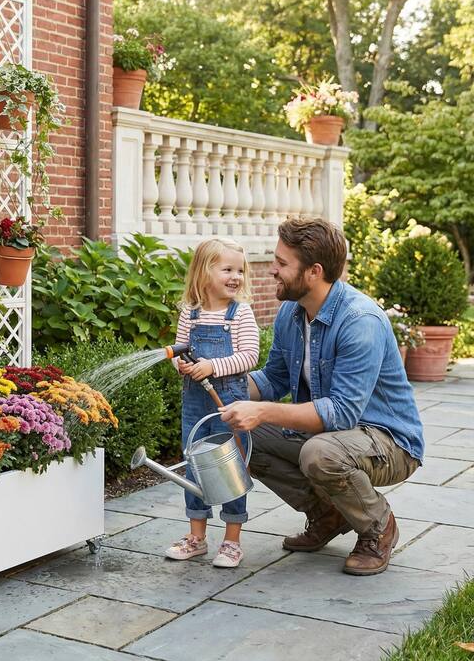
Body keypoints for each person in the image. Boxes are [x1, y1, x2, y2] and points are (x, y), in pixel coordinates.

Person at [220, 218, 424, 576]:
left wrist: (263, 411)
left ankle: (378, 526)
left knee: (319, 454)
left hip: (389, 442)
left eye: (282, 263)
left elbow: (341, 413)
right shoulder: (291, 312)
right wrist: (220, 380)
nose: (273, 271)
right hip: (334, 436)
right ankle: (327, 514)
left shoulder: (360, 321)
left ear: (314, 272)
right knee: (238, 434)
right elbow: (274, 379)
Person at [166, 238, 259, 568]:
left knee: (231, 468)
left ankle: (232, 540)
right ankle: (197, 536)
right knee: (195, 465)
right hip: (195, 403)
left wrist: (212, 366)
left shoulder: (240, 314)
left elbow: (249, 356)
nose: (236, 277)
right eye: (227, 269)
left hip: (229, 403)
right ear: (204, 272)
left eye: (240, 271)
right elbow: (179, 351)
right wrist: (182, 365)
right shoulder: (189, 315)